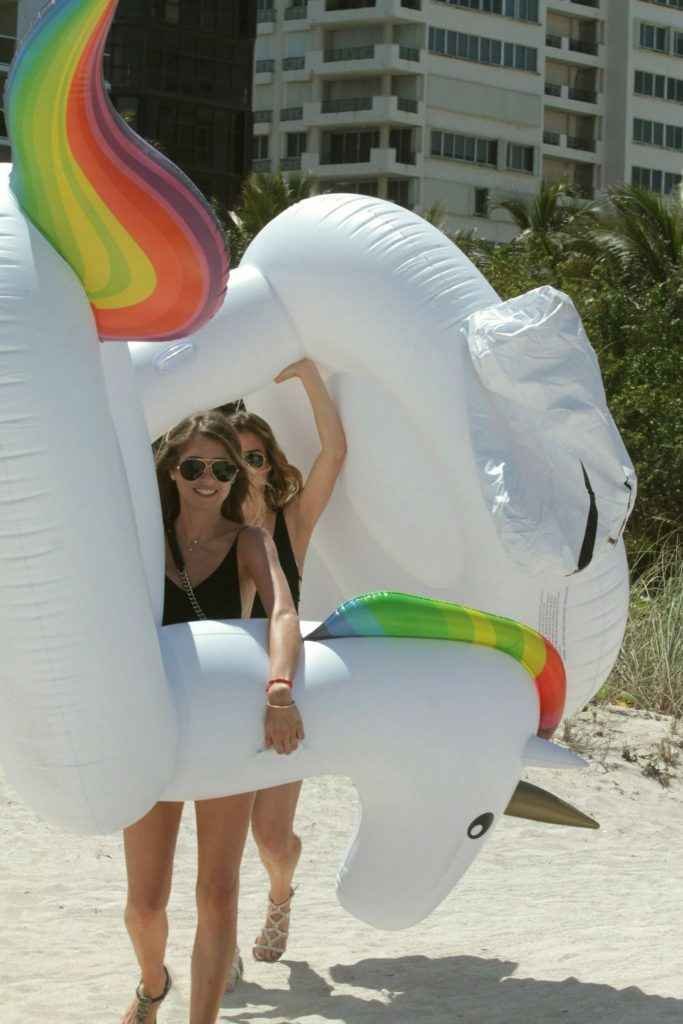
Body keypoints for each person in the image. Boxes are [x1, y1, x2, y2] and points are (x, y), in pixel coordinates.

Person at [122, 410, 303, 1024]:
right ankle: (152, 984)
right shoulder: (141, 536)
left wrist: (280, 690)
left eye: (223, 468)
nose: (209, 479)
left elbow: (282, 613)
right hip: (152, 728)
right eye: (194, 466)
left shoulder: (249, 541)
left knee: (217, 891)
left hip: (228, 731)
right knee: (145, 905)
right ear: (171, 469)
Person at [228, 357, 347, 965]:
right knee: (216, 835)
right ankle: (217, 948)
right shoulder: (198, 527)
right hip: (219, 689)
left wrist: (307, 377)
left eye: (256, 457)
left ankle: (280, 895)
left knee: (271, 835)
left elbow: (333, 454)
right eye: (234, 458)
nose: (246, 469)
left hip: (284, 688)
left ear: (270, 465)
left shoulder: (290, 523)